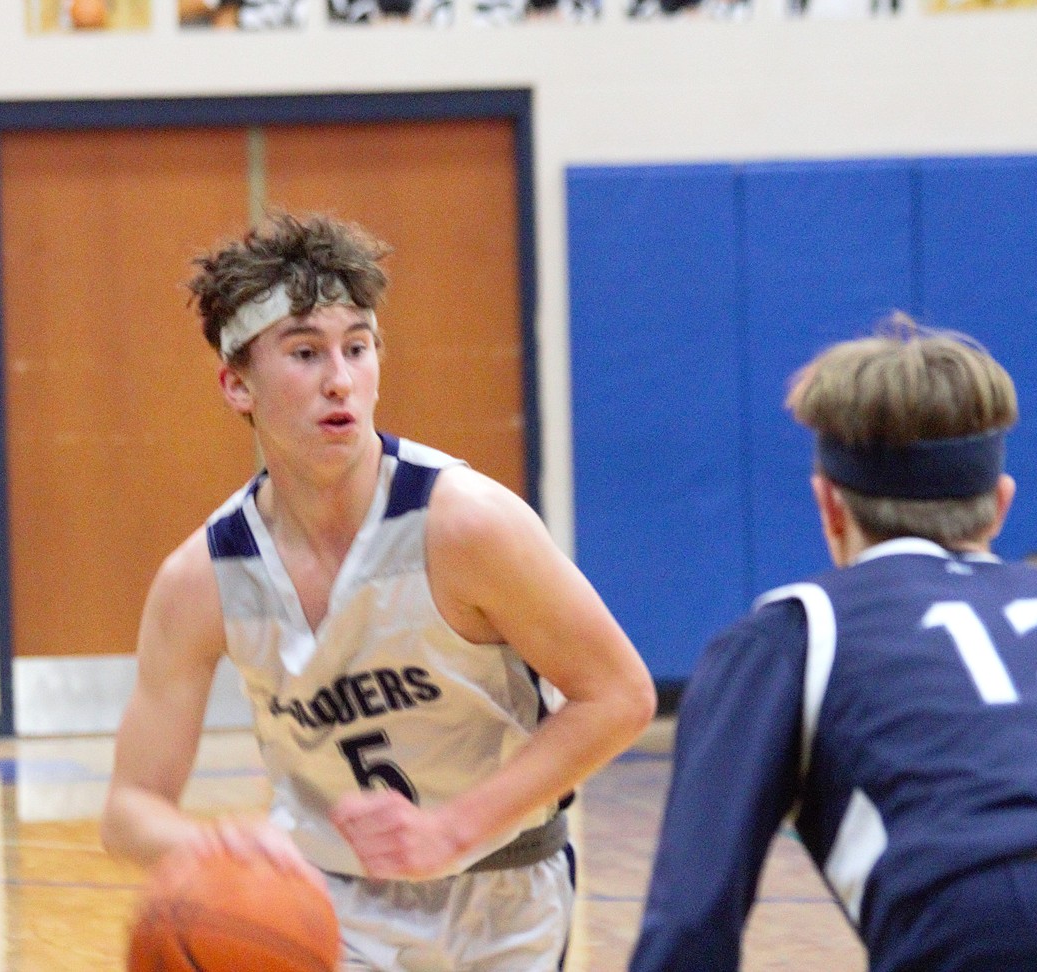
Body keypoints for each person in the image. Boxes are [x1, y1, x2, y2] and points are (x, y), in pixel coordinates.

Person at [101, 211, 657, 971]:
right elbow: (129, 810)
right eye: (304, 352)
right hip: (329, 906)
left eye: (357, 348)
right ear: (237, 384)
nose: (339, 378)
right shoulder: (202, 579)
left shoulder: (466, 524)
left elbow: (620, 695)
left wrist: (453, 830)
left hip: (502, 894)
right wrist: (210, 843)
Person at [630, 316, 1037, 972]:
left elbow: (693, 914)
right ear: (999, 504)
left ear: (830, 506)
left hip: (993, 915)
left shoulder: (794, 632)